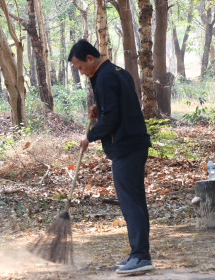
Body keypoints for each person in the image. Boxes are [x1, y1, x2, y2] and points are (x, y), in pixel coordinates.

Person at [68, 39, 154, 275]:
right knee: (135, 202)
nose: (81, 72)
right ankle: (138, 253)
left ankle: (141, 256)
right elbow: (119, 107)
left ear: (90, 58)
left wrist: (91, 135)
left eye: (80, 67)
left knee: (131, 203)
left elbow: (113, 119)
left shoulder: (105, 76)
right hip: (134, 143)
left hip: (126, 146)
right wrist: (100, 109)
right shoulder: (117, 72)